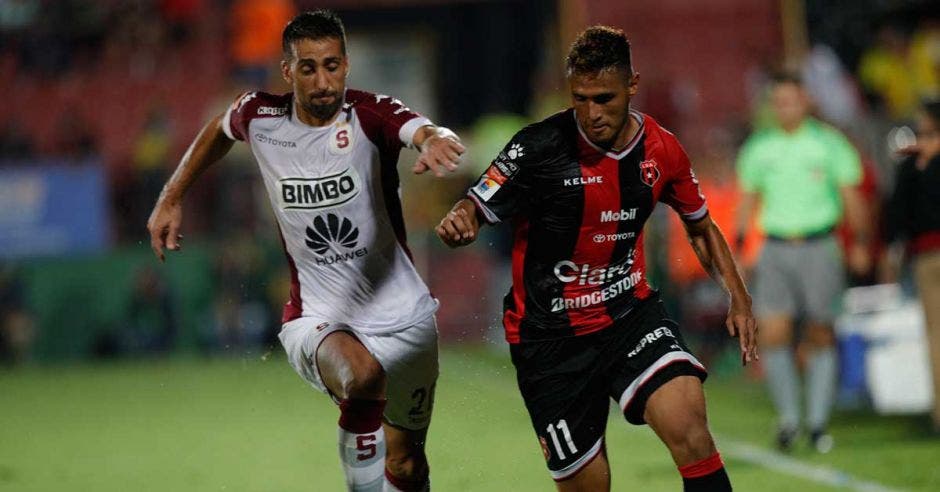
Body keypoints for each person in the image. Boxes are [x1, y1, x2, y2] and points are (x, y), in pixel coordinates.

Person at [147, 10, 464, 491]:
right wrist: (171, 197)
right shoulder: (260, 115)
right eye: (309, 67)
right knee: (362, 378)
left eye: (332, 65)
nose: (323, 80)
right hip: (317, 317)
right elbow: (218, 129)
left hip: (406, 318)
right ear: (287, 71)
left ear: (346, 65)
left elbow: (423, 129)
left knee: (406, 465)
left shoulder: (371, 114)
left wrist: (438, 139)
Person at [437, 26, 756, 492]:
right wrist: (461, 218)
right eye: (580, 98)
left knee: (688, 421)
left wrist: (739, 296)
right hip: (550, 339)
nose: (591, 113)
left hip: (629, 314)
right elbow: (477, 200)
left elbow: (701, 227)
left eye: (604, 98)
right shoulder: (537, 146)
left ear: (632, 85)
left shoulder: (661, 150)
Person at [735, 73, 870, 453]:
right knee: (774, 332)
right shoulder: (760, 148)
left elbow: (850, 194)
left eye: (791, 100)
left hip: (819, 243)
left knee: (821, 333)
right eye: (778, 102)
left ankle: (817, 423)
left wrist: (859, 241)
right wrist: (740, 248)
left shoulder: (829, 143)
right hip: (776, 246)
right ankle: (790, 420)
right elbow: (746, 200)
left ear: (806, 101)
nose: (785, 108)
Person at [884, 100, 940, 434]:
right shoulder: (913, 165)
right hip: (926, 257)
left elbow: (896, 218)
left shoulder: (911, 166)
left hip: (926, 256)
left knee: (936, 336)